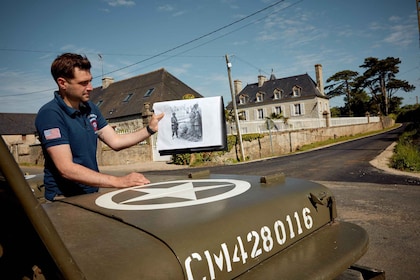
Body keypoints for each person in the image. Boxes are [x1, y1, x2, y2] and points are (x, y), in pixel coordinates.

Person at [35, 53, 164, 201]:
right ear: (62, 83)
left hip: (90, 194)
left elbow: (115, 141)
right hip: (64, 199)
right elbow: (66, 169)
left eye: (90, 81)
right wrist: (119, 181)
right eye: (83, 83)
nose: (90, 88)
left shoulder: (90, 108)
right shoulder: (50, 115)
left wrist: (150, 129)